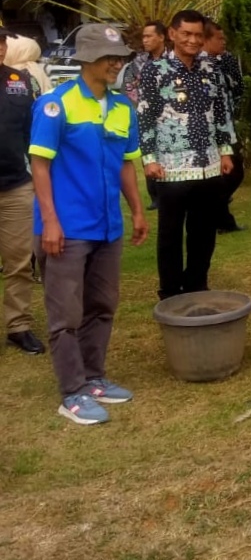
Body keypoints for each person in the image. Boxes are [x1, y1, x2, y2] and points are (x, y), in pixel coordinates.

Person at [28, 23, 148, 424]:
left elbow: (127, 166)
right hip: (67, 227)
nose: (117, 64)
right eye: (109, 58)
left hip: (107, 226)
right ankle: (72, 392)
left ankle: (94, 377)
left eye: (120, 58)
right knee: (65, 314)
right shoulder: (55, 105)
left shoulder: (122, 108)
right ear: (87, 60)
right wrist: (49, 221)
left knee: (102, 305)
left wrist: (136, 210)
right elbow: (40, 166)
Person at [138, 9, 236, 300]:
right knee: (170, 234)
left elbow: (221, 112)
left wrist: (226, 151)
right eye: (187, 34)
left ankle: (196, 284)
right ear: (172, 34)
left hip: (209, 166)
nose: (193, 41)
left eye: (198, 35)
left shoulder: (210, 69)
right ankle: (170, 291)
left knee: (203, 232)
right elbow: (145, 116)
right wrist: (149, 158)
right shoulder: (155, 70)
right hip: (170, 168)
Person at [0, 27, 46, 355]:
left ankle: (18, 325)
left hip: (16, 184)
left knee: (19, 261)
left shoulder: (19, 82)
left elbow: (35, 133)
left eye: (1, 42)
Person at [203, 19, 246, 234]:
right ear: (205, 39)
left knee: (233, 173)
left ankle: (221, 218)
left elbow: (238, 88)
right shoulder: (199, 68)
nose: (223, 42)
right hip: (211, 133)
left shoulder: (224, 60)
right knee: (230, 173)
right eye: (219, 38)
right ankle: (219, 218)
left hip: (227, 127)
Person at [122, 20, 167, 211]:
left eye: (149, 36)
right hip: (145, 113)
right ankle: (155, 196)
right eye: (144, 36)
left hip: (170, 116)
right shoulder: (138, 63)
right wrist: (140, 107)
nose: (145, 40)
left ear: (162, 37)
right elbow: (129, 87)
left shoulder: (174, 60)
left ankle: (168, 191)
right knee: (148, 152)